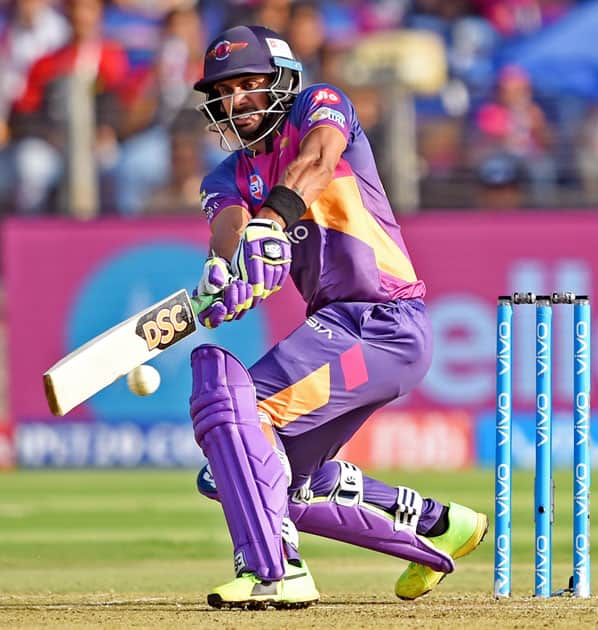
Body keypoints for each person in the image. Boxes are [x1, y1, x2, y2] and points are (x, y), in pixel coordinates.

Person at [190, 24, 488, 610]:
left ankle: (277, 569)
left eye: (250, 85)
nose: (236, 102)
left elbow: (319, 159)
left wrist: (272, 220)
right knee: (242, 475)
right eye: (224, 92)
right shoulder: (227, 175)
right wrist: (223, 272)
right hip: (342, 327)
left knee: (244, 414)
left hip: (383, 319)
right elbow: (227, 227)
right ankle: (436, 524)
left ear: (282, 81)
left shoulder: (319, 105)